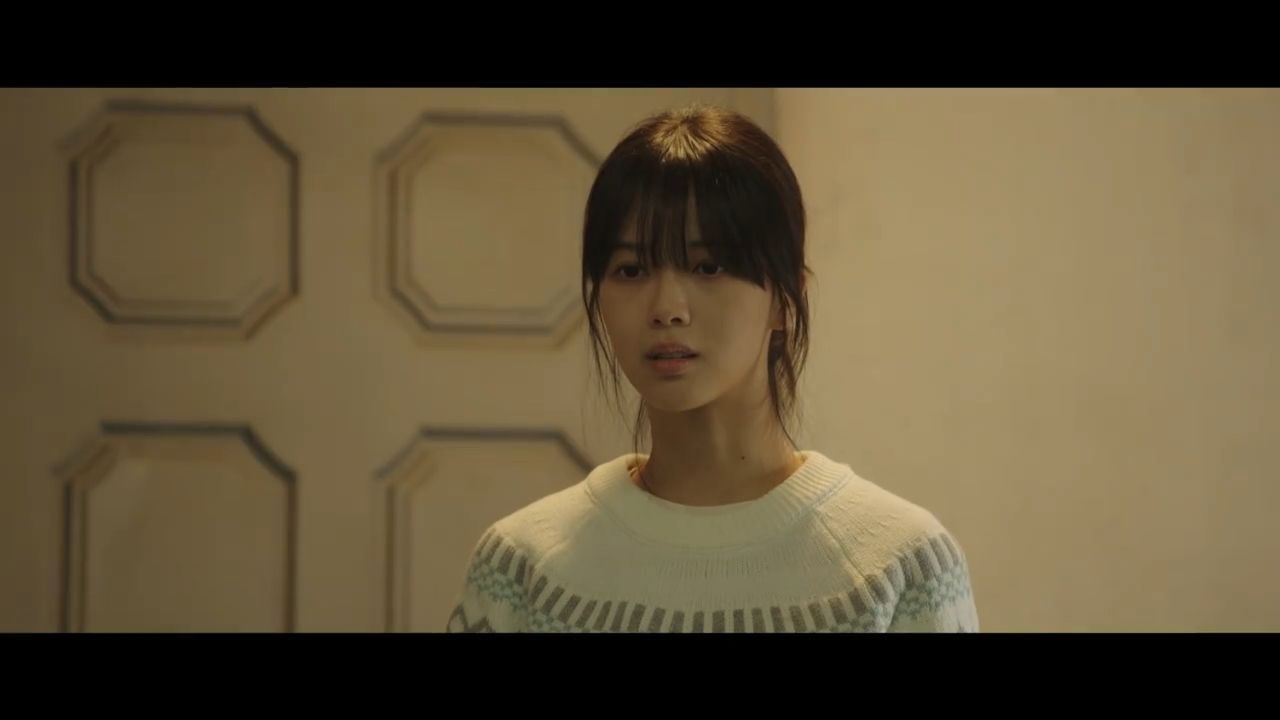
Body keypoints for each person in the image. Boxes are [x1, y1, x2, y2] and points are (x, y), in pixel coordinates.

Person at [446, 104, 979, 632]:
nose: (666, 308)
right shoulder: (522, 567)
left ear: (785, 299)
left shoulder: (902, 566)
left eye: (708, 266)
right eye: (631, 270)